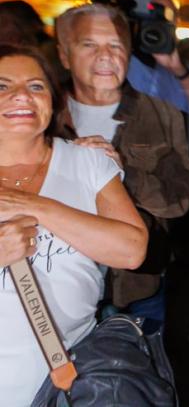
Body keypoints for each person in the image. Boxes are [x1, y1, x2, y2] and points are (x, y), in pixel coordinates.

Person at [0, 44, 147, 406]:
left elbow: (131, 249)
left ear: (52, 100)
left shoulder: (87, 162)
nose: (21, 95)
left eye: (36, 86)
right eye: (2, 86)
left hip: (73, 377)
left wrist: (37, 205)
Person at [55, 3, 189, 327]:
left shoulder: (162, 115)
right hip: (59, 290)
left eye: (116, 45)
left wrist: (120, 172)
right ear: (64, 55)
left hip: (135, 291)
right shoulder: (42, 114)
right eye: (89, 44)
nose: (105, 56)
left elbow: (181, 198)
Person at [125, 0, 189, 117]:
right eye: (153, 13)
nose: (160, 21)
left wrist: (178, 69)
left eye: (167, 14)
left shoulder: (183, 67)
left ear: (176, 22)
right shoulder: (123, 57)